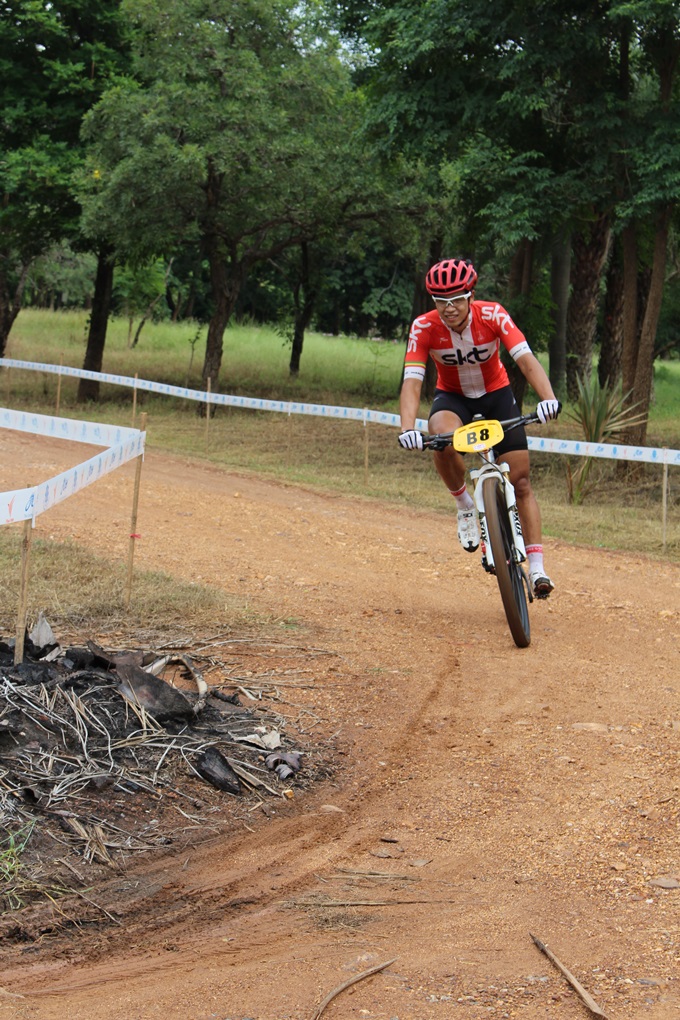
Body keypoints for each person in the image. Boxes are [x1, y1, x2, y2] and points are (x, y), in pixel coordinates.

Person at [398, 257, 560, 598]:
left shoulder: (493, 315)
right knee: (440, 437)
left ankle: (537, 568)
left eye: (457, 299)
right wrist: (407, 428)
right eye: (441, 301)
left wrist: (548, 399)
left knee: (521, 481)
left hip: (497, 396)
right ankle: (465, 506)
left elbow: (525, 360)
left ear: (471, 296)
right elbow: (412, 381)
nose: (449, 308)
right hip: (453, 398)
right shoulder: (423, 327)